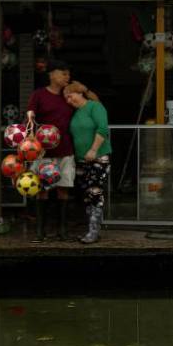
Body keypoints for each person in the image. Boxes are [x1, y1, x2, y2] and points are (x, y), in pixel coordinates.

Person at [26, 60, 75, 241]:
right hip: (43, 153)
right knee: (42, 190)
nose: (67, 77)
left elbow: (90, 102)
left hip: (66, 150)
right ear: (52, 74)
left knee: (63, 189)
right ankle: (40, 231)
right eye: (63, 73)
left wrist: (81, 89)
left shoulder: (69, 94)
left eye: (68, 74)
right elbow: (30, 117)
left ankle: (62, 230)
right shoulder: (38, 95)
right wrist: (30, 136)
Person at [63, 81, 112, 244]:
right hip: (81, 160)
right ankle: (93, 230)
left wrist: (93, 150)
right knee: (86, 195)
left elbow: (102, 129)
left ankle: (93, 232)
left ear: (79, 93)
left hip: (98, 157)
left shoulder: (95, 107)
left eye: (70, 96)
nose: (68, 101)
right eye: (66, 99)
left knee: (95, 192)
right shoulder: (76, 113)